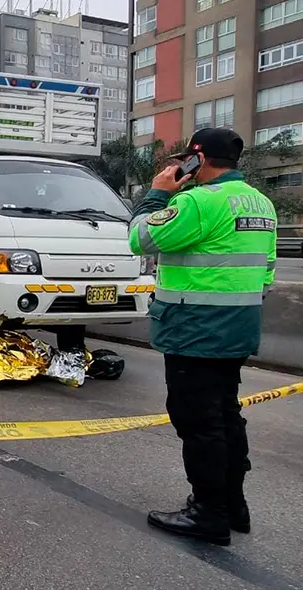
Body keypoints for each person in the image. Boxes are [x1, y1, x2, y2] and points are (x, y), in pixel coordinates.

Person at [128, 128, 276, 546]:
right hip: (238, 328)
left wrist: (157, 193)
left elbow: (139, 238)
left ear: (197, 157)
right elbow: (265, 271)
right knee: (226, 415)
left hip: (195, 329)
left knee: (198, 422)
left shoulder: (196, 200)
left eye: (185, 159)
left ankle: (207, 513)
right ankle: (233, 505)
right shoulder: (260, 202)